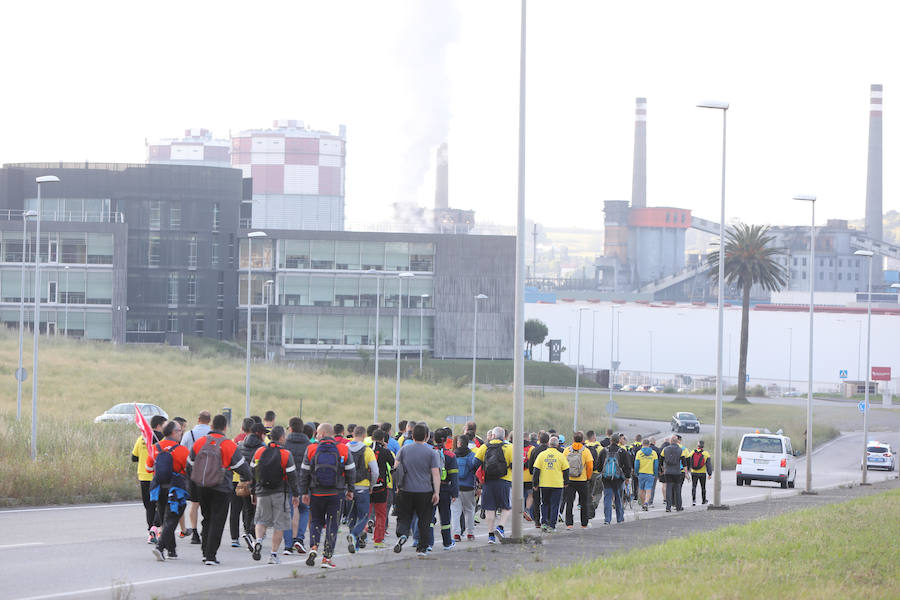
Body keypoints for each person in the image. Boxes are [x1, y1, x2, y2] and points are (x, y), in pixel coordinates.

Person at [187, 414, 252, 565]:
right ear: (225, 427)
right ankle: (210, 555)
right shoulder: (228, 444)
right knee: (218, 520)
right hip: (221, 487)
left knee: (207, 518)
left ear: (211, 427)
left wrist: (195, 481)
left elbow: (189, 464)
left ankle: (204, 552)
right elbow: (242, 467)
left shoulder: (200, 442)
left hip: (202, 486)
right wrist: (248, 478)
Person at [299, 423, 355, 569]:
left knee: (316, 520)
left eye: (317, 433)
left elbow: (304, 473)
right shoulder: (343, 449)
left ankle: (314, 547)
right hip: (336, 493)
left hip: (316, 492)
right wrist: (350, 489)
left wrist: (304, 492)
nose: (316, 436)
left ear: (322, 434)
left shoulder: (311, 449)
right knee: (332, 524)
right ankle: (326, 558)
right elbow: (351, 471)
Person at [250, 426, 300, 565]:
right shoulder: (286, 454)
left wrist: (253, 491)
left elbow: (252, 472)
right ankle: (273, 554)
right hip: (280, 493)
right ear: (282, 437)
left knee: (261, 520)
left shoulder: (259, 452)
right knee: (280, 524)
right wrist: (296, 494)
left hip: (262, 492)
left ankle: (258, 540)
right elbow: (292, 477)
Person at [392, 423, 441, 558]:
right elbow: (436, 474)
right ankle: (422, 548)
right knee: (424, 520)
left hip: (406, 490)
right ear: (426, 436)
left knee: (404, 516)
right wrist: (436, 492)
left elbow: (395, 469)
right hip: (425, 491)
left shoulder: (404, 450)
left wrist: (397, 486)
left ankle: (402, 535)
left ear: (412, 435)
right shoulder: (431, 452)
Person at [148, 420, 190, 561]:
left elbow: (148, 468)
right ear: (173, 432)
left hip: (158, 488)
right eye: (179, 430)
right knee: (172, 518)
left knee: (165, 519)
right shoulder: (182, 450)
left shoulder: (154, 448)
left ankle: (172, 550)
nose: (181, 433)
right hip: (175, 489)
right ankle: (160, 548)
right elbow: (188, 470)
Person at [472, 426, 514, 543]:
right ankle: (500, 527)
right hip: (504, 481)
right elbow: (515, 464)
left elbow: (474, 463)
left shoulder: (484, 447)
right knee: (506, 507)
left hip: (488, 481)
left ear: (493, 436)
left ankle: (491, 536)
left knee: (490, 509)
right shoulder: (510, 447)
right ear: (504, 437)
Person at [133, 414, 166, 544]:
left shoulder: (142, 438)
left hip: (143, 475)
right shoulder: (162, 439)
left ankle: (150, 533)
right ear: (159, 425)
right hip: (156, 476)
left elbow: (134, 457)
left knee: (149, 506)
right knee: (161, 505)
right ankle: (155, 529)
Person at [181, 410, 212, 545]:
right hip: (210, 473)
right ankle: (206, 530)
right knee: (208, 503)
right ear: (209, 421)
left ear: (198, 419)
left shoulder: (189, 434)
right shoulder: (212, 435)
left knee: (194, 504)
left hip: (193, 472)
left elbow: (182, 452)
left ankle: (194, 532)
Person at [347, 426, 379, 553]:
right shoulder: (367, 450)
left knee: (351, 516)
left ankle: (355, 545)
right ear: (365, 435)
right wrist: (371, 485)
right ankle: (354, 535)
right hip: (362, 487)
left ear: (353, 434)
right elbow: (375, 472)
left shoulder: (345, 448)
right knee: (364, 516)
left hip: (348, 488)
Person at [283, 417, 311, 555]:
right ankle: (299, 538)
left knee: (287, 512)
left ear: (291, 428)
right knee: (304, 509)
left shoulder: (285, 443)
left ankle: (288, 545)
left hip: (287, 482)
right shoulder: (309, 444)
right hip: (304, 483)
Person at [531, 436, 569, 532]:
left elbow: (536, 470)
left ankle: (544, 523)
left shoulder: (542, 455)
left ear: (548, 444)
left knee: (545, 503)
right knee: (555, 505)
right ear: (557, 445)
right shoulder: (561, 456)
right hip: (557, 484)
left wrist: (535, 484)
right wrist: (566, 482)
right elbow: (566, 470)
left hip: (544, 483)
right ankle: (552, 525)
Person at [229, 418, 254, 548]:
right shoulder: (256, 441)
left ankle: (234, 538)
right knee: (249, 508)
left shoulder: (235, 440)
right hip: (249, 479)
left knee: (235, 509)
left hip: (235, 479)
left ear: (242, 428)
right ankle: (248, 533)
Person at [433, 428, 459, 550]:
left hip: (430, 488)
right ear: (446, 440)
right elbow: (454, 476)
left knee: (429, 517)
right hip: (444, 488)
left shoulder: (430, 452)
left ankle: (428, 543)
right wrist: (454, 493)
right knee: (445, 517)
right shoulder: (450, 455)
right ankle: (447, 542)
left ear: (434, 439)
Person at [369, 429, 395, 549]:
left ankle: (361, 534)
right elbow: (394, 465)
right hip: (381, 486)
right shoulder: (385, 452)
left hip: (366, 486)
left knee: (365, 512)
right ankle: (378, 540)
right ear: (383, 439)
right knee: (381, 514)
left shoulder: (366, 449)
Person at [597, 433, 631, 524]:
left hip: (606, 479)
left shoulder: (604, 451)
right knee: (618, 498)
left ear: (610, 440)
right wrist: (627, 477)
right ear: (619, 441)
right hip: (618, 479)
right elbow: (628, 466)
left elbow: (599, 466)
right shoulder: (622, 451)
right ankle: (619, 519)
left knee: (607, 498)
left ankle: (607, 519)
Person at [563, 432, 594, 529]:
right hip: (582, 480)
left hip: (569, 480)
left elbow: (563, 465)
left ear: (573, 439)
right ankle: (584, 524)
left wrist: (565, 478)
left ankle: (569, 524)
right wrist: (588, 477)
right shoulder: (586, 451)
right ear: (583, 440)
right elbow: (590, 466)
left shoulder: (567, 450)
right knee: (584, 502)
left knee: (569, 502)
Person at [451, 434, 477, 542]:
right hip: (469, 486)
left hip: (456, 487)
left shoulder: (453, 455)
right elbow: (475, 469)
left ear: (459, 443)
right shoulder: (472, 455)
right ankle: (470, 533)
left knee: (456, 511)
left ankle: (456, 534)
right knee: (469, 510)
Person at [528, 432, 551, 530]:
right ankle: (547, 519)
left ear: (539, 440)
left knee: (536, 500)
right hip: (549, 479)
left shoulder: (534, 450)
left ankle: (537, 521)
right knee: (548, 501)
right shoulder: (550, 451)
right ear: (548, 441)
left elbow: (530, 468)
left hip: (536, 478)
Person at [633, 438, 659, 511]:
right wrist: (655, 473)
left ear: (642, 444)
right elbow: (656, 464)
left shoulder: (639, 453)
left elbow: (636, 464)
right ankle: (646, 502)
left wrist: (636, 472)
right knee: (648, 489)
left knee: (641, 489)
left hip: (641, 473)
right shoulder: (654, 453)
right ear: (649, 444)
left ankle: (643, 503)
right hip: (650, 474)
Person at [662, 435, 685, 512]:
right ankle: (678, 506)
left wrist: (662, 469)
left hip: (668, 471)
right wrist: (685, 470)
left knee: (668, 489)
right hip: (677, 472)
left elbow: (660, 459)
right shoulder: (680, 450)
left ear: (670, 441)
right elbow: (684, 461)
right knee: (677, 489)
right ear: (677, 441)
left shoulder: (665, 449)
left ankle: (668, 507)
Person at [584, 430, 602, 520]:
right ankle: (593, 506)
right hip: (596, 474)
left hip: (585, 474)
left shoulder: (584, 447)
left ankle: (586, 508)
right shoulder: (600, 448)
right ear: (594, 437)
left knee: (588, 492)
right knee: (598, 492)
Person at [690, 440, 712, 505]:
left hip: (694, 472)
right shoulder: (706, 453)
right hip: (702, 473)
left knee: (694, 486)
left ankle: (694, 501)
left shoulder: (692, 452)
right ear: (703, 446)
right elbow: (708, 465)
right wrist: (709, 474)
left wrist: (689, 468)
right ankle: (703, 500)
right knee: (703, 487)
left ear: (698, 445)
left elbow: (687, 459)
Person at [647, 436, 660, 506]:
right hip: (654, 471)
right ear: (654, 442)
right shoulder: (657, 450)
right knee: (652, 487)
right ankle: (650, 500)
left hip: (644, 470)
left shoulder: (643, 450)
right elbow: (658, 461)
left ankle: (644, 500)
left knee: (645, 486)